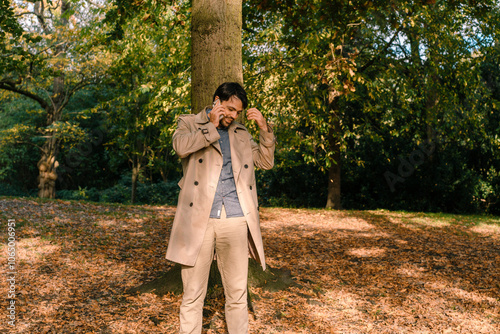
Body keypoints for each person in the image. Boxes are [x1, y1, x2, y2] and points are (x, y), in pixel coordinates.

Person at [166, 82, 276, 333]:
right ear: (217, 101)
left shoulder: (240, 133)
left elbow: (265, 162)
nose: (233, 116)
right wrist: (210, 127)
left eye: (237, 112)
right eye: (229, 109)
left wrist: (264, 129)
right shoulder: (189, 123)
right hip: (198, 220)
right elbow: (180, 147)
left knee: (237, 294)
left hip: (236, 219)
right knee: (192, 294)